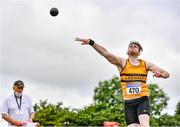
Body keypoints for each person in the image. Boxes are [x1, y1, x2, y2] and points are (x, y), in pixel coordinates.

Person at [75, 38, 169, 127]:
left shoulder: (146, 65)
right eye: (130, 45)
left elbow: (166, 74)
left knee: (144, 125)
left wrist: (160, 75)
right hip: (128, 103)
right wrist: (91, 42)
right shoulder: (122, 62)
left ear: (139, 52)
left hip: (142, 100)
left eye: (135, 46)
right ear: (127, 51)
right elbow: (105, 53)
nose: (132, 46)